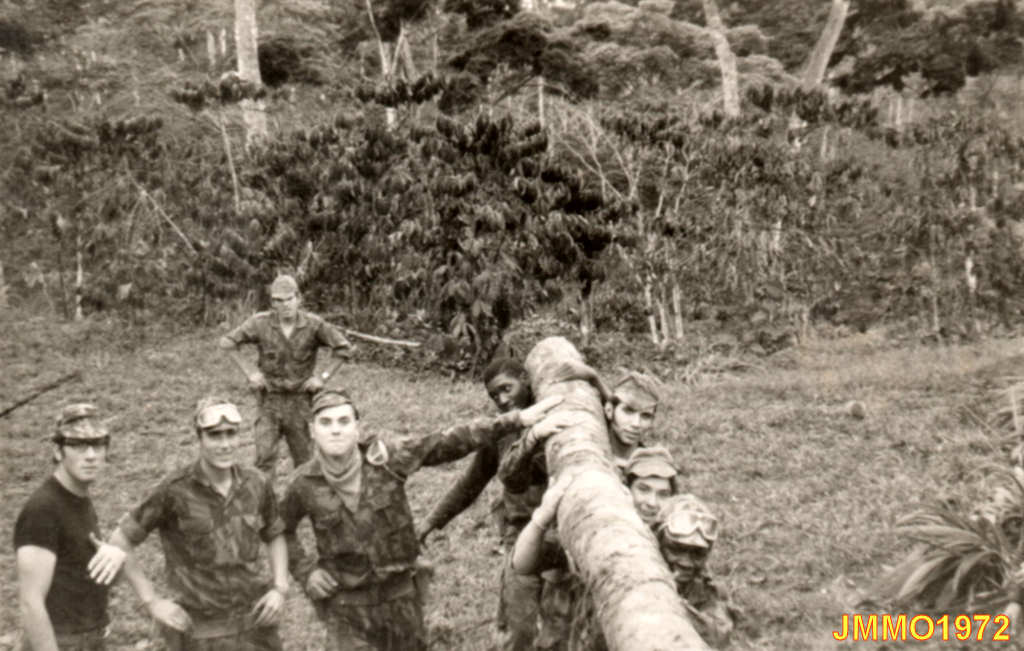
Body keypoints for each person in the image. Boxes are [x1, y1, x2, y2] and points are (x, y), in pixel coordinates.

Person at [279, 388, 562, 651]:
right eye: (326, 423)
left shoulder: (387, 457)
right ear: (312, 431)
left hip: (400, 599)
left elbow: (446, 442)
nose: (335, 430)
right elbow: (280, 529)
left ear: (357, 427)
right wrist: (306, 572)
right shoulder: (302, 484)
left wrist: (516, 420)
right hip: (346, 606)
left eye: (344, 421)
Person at [418, 357, 578, 651]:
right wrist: (430, 523)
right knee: (518, 625)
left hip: (562, 534)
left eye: (507, 388)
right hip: (520, 533)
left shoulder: (559, 418)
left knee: (560, 627)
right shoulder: (501, 432)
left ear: (525, 379)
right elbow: (471, 482)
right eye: (494, 396)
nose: (503, 400)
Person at [110, 397, 290, 650]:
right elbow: (120, 541)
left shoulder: (256, 482)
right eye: (215, 435)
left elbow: (274, 533)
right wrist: (151, 602)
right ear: (199, 438)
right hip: (200, 633)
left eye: (231, 434)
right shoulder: (174, 490)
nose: (225, 444)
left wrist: (280, 588)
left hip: (255, 628)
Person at [15, 403, 127, 651]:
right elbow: (31, 604)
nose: (91, 455)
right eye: (78, 445)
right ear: (58, 451)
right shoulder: (43, 510)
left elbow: (80, 576)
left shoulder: (77, 497)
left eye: (98, 444)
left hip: (89, 638)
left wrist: (116, 558)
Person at [219, 273, 354, 474]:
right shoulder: (260, 323)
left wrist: (322, 378)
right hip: (269, 400)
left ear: (298, 298)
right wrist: (250, 373)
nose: (285, 305)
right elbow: (227, 342)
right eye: (279, 300)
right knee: (264, 459)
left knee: (305, 460)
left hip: (300, 401)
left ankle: (303, 494)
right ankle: (265, 494)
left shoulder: (313, 325)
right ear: (273, 303)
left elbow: (344, 349)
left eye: (289, 299)